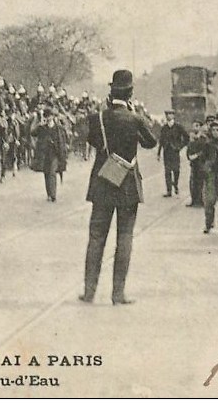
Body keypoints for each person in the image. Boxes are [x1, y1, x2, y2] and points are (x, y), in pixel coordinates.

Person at [79, 69, 157, 306]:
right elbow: (151, 142)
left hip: (103, 182)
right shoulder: (135, 119)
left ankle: (89, 292)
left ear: (111, 92)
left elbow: (92, 140)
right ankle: (118, 294)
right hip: (127, 185)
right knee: (124, 238)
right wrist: (136, 117)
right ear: (130, 93)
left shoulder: (98, 118)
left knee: (96, 237)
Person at [31, 106, 68, 203]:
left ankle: (53, 195)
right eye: (46, 116)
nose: (48, 118)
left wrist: (63, 153)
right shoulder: (42, 128)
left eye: (49, 116)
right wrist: (38, 123)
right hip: (45, 154)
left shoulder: (58, 128)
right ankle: (49, 194)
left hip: (55, 154)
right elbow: (32, 133)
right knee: (46, 173)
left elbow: (64, 139)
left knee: (52, 173)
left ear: (52, 117)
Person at [157, 110, 189, 197]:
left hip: (175, 152)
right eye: (167, 114)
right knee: (167, 171)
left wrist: (180, 146)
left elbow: (186, 137)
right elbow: (161, 140)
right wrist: (159, 153)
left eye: (170, 114)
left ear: (173, 116)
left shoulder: (178, 126)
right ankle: (169, 191)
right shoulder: (164, 128)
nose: (168, 116)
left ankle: (175, 184)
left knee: (176, 170)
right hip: (166, 152)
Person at [185, 120, 207, 207]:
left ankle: (201, 201)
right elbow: (188, 149)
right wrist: (189, 156)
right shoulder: (191, 139)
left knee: (200, 182)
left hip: (201, 163)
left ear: (200, 127)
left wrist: (197, 155)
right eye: (194, 126)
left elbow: (205, 150)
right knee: (193, 182)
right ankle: (193, 200)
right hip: (193, 164)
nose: (195, 128)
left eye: (197, 126)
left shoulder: (203, 139)